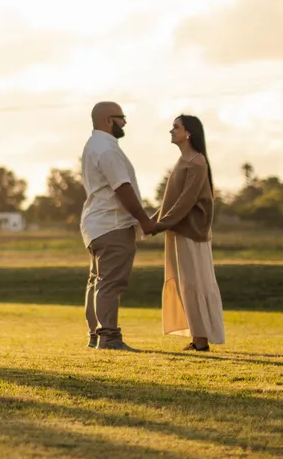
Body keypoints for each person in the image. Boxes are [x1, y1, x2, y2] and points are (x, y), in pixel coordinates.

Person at [79, 100, 156, 351]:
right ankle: (109, 338)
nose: (124, 123)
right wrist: (144, 220)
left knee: (97, 282)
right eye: (121, 118)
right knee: (110, 283)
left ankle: (95, 336)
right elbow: (122, 187)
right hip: (112, 224)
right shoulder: (107, 149)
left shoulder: (93, 145)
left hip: (96, 225)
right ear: (108, 120)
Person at [154, 114, 225, 351]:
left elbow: (186, 201)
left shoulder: (196, 162)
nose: (171, 131)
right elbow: (171, 201)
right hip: (179, 230)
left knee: (194, 283)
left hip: (191, 232)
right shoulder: (185, 161)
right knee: (185, 283)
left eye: (176, 127)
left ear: (189, 133)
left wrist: (159, 224)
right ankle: (197, 338)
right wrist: (153, 220)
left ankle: (201, 340)